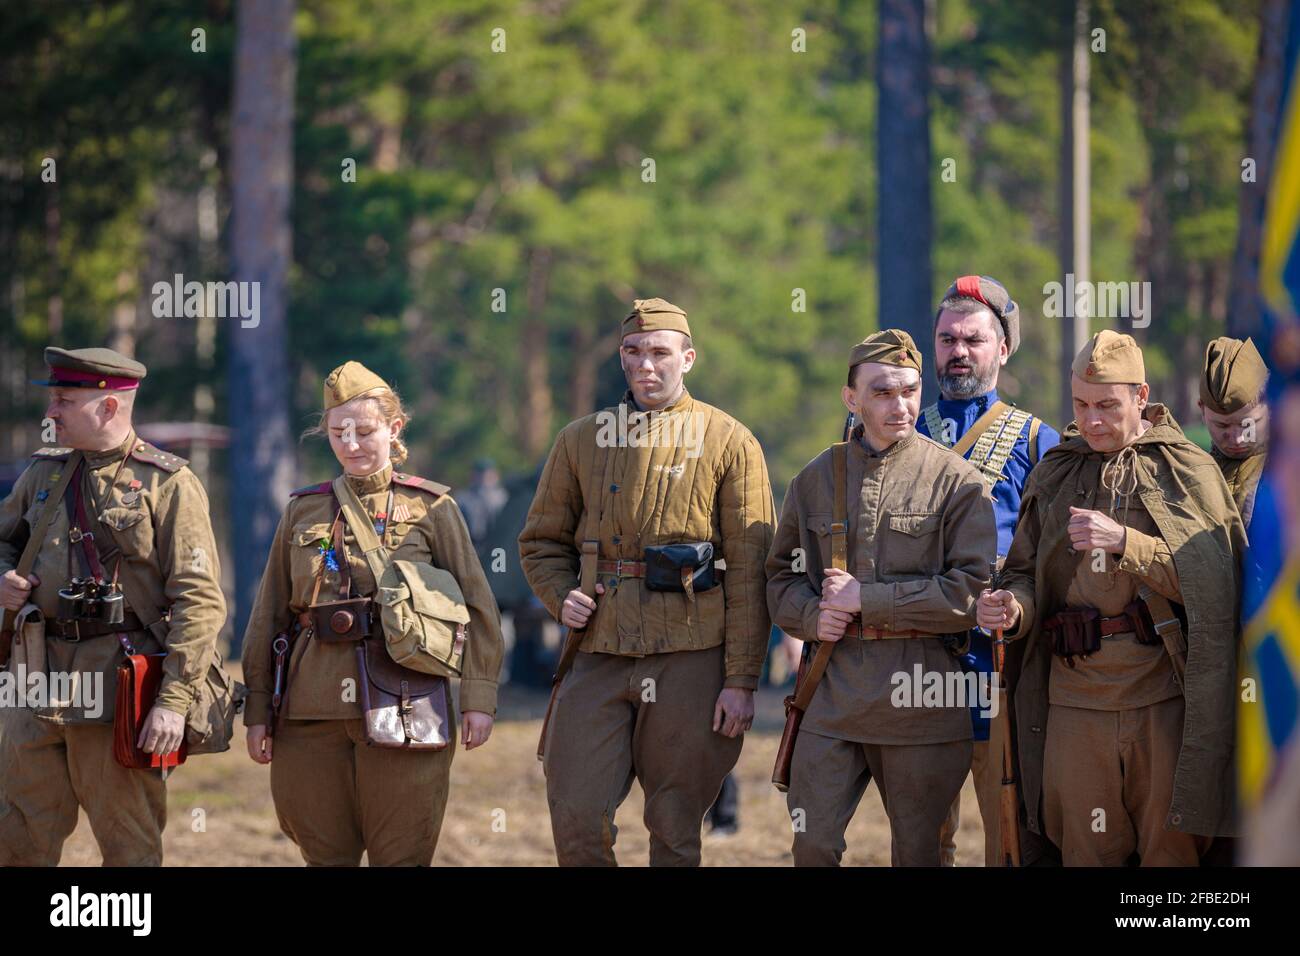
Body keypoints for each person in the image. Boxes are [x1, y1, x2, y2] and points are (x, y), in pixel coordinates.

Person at [518, 297, 775, 866]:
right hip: (598, 650)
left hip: (691, 655)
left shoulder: (731, 441)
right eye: (633, 352)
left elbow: (752, 571)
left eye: (660, 352)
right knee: (577, 816)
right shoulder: (578, 439)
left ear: (689, 358)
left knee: (675, 829)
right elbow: (540, 542)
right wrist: (563, 598)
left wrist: (741, 679)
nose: (645, 365)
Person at [979, 330, 1245, 865]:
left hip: (1161, 697)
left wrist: (1127, 542)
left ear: (1141, 397)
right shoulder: (1056, 471)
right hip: (1074, 703)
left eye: (1107, 405)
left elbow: (1216, 584)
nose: (1093, 419)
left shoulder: (1186, 468)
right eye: (1081, 404)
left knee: (1170, 853)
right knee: (1084, 848)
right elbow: (1025, 572)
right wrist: (1014, 608)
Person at [241, 361, 504, 866]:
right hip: (308, 709)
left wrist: (479, 696)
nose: (351, 443)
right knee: (323, 854)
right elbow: (268, 615)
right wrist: (258, 710)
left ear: (394, 428)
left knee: (403, 854)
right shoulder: (302, 510)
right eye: (338, 432)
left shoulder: (433, 508)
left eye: (365, 430)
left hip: (408, 702)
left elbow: (477, 606)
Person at [767, 329, 996, 866]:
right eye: (883, 393)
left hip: (922, 698)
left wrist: (866, 600)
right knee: (813, 844)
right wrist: (809, 614)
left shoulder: (958, 482)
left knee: (920, 853)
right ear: (852, 399)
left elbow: (969, 591)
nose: (901, 405)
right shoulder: (814, 480)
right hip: (832, 693)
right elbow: (780, 577)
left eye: (910, 391)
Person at [0, 347, 227, 866]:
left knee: (128, 842)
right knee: (16, 835)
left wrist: (174, 700)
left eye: (64, 399)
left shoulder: (167, 482)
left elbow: (199, 599)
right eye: (53, 398)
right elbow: (3, 540)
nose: (51, 412)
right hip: (32, 679)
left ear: (107, 408)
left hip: (118, 685)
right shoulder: (44, 473)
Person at [917, 275, 1060, 866]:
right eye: (947, 339)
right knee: (921, 833)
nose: (958, 352)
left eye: (973, 339)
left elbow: (1052, 562)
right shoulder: (902, 430)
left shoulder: (1037, 440)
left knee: (1008, 831)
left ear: (1003, 348)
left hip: (1000, 660)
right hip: (917, 659)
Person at [1199, 336, 1270, 527]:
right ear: (1202, 410)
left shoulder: (1286, 470)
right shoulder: (1192, 472)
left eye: (1248, 424)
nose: (1237, 439)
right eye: (1222, 426)